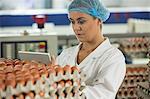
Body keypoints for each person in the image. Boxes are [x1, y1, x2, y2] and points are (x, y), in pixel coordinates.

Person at [56, 0, 126, 99]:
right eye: (72, 22)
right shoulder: (66, 54)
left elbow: (103, 94)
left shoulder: (113, 57)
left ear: (99, 20)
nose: (76, 27)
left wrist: (71, 89)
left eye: (81, 21)